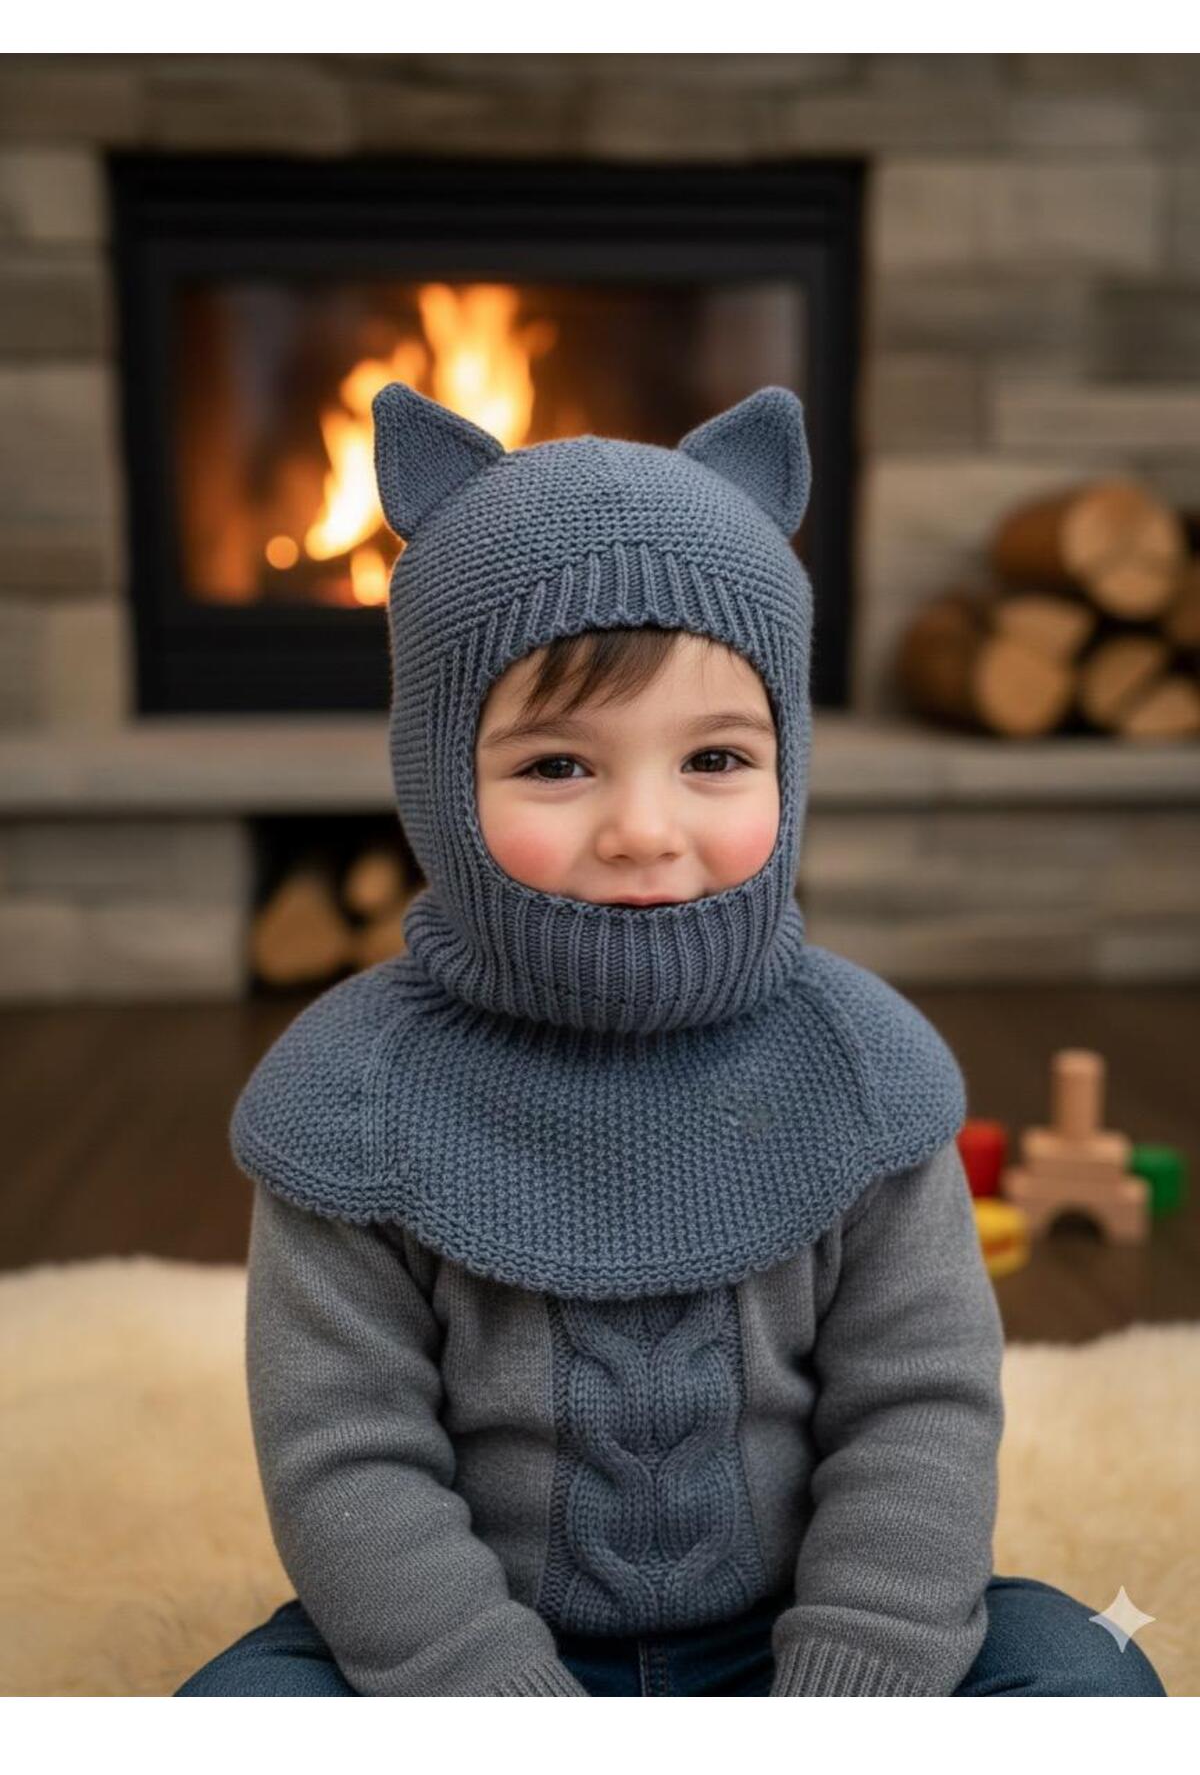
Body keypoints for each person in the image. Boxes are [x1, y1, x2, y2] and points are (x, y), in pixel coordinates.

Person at [176, 384, 1165, 1698]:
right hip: (473, 1642)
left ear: (789, 765)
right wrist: (481, 1692)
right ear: (440, 781)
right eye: (558, 767)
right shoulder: (354, 1098)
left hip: (795, 1625)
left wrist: (858, 1672)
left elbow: (919, 1404)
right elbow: (344, 1451)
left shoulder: (860, 1066)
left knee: (1086, 1678)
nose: (646, 827)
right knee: (231, 1718)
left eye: (713, 760)